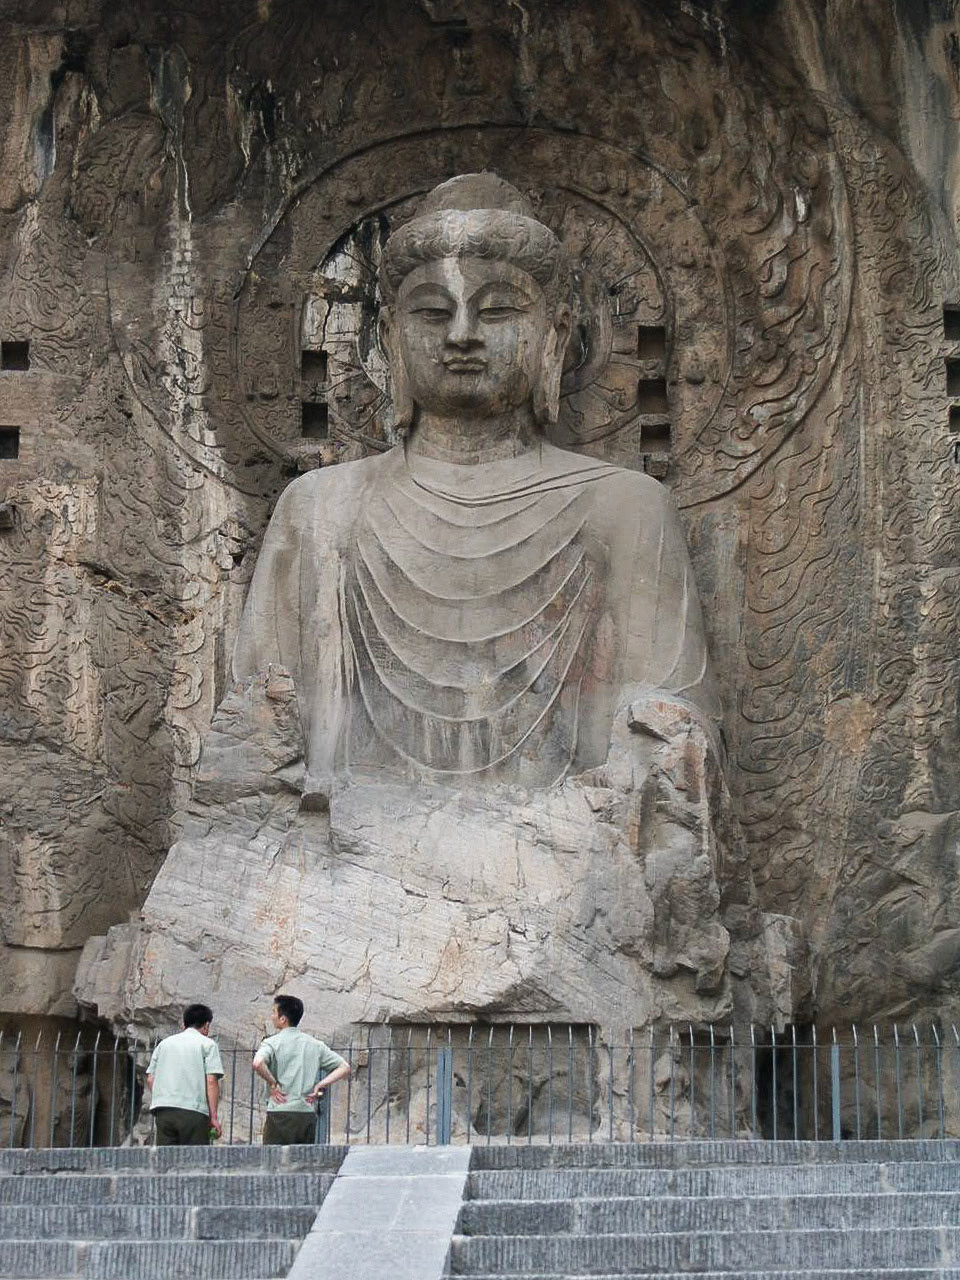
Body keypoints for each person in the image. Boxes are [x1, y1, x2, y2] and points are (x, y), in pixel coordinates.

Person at [233, 172, 719, 798]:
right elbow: (255, 734)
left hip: (563, 852)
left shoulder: (625, 508)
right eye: (433, 312)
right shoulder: (322, 507)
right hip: (345, 860)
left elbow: (667, 742)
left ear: (556, 335)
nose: (462, 334)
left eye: (498, 310)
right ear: (390, 339)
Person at [252, 994, 351, 1144]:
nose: (271, 1016)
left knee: (273, 1163)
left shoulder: (271, 1043)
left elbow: (257, 1063)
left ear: (283, 1019)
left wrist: (273, 1083)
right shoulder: (315, 1044)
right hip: (306, 1112)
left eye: (274, 1012)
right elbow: (344, 1067)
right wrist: (321, 1084)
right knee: (302, 1162)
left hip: (280, 1112)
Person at [146, 1002, 224, 1146]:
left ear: (184, 1024)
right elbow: (211, 1081)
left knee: (167, 1162)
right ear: (206, 1025)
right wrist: (213, 1116)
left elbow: (151, 1079)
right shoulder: (207, 1044)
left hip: (164, 1110)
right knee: (194, 1162)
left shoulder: (164, 1044)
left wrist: (164, 1096)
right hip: (193, 1111)